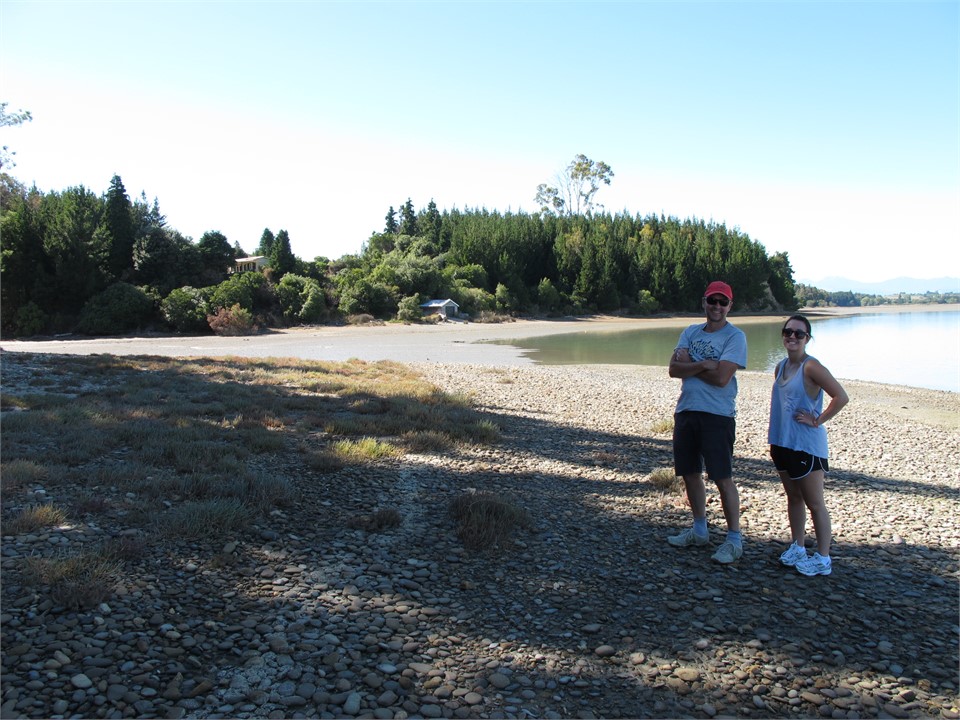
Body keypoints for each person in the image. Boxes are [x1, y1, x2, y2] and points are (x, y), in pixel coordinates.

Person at [667, 281, 748, 564]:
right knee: (690, 473)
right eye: (712, 301)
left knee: (722, 477)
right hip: (687, 410)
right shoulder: (690, 331)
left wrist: (692, 362)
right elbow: (673, 369)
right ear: (704, 302)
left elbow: (722, 378)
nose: (716, 306)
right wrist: (704, 364)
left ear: (729, 306)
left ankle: (733, 539)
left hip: (718, 415)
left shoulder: (735, 337)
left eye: (722, 302)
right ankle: (699, 530)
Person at [769, 314, 848, 576]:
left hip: (806, 446)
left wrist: (818, 420)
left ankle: (823, 558)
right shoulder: (780, 366)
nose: (792, 337)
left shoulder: (811, 367)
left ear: (807, 339)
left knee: (815, 503)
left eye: (799, 334)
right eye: (788, 332)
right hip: (782, 442)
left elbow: (841, 396)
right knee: (793, 497)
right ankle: (798, 546)